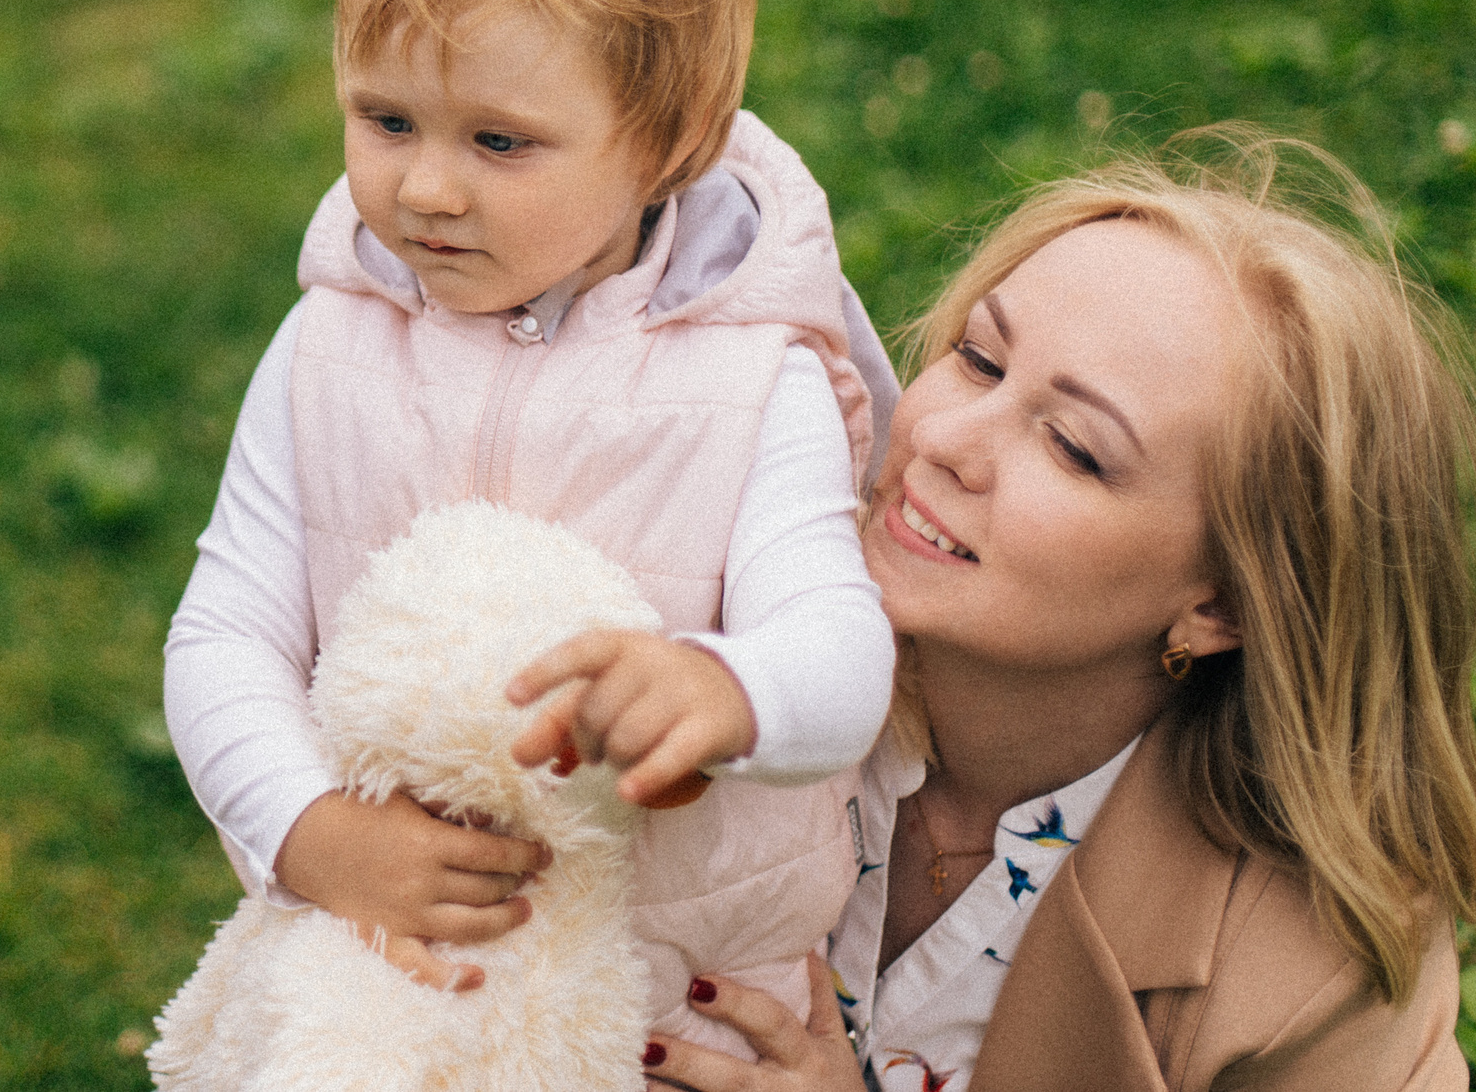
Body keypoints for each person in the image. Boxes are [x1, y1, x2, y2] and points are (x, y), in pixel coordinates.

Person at [164, 0, 901, 1055]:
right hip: (403, 963)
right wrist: (309, 833)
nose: (428, 190)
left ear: (667, 140)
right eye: (386, 118)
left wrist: (724, 688)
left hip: (679, 990)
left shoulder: (751, 375)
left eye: (498, 141)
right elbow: (225, 628)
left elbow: (844, 650)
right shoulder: (331, 343)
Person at [628, 133, 1476, 1091]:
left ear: (1224, 602)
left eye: (1074, 447)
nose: (943, 435)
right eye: (980, 359)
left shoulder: (1317, 971)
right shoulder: (713, 597)